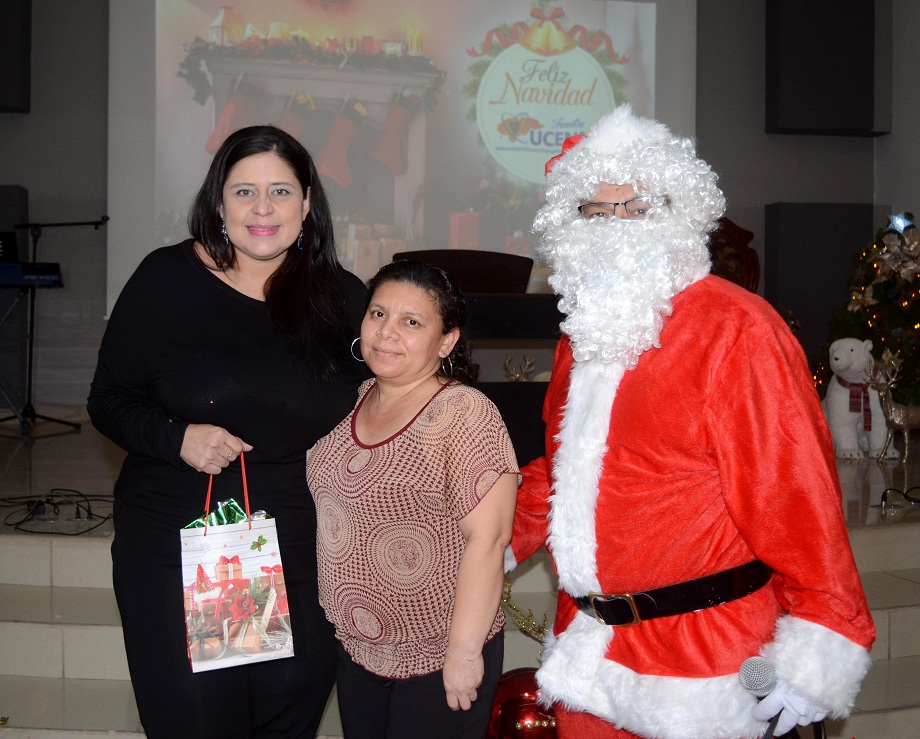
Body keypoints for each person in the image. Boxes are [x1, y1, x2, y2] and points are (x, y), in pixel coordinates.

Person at [507, 105, 876, 739]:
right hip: (589, 656)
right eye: (595, 211)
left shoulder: (738, 329)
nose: (614, 226)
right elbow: (561, 466)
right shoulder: (584, 330)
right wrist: (484, 543)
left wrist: (824, 634)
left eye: (634, 208)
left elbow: (794, 492)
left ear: (679, 214)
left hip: (704, 665)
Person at [88, 125, 368, 737]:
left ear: (308, 202)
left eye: (280, 191)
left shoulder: (341, 297)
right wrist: (175, 436)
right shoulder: (166, 280)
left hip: (306, 554)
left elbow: (383, 408)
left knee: (284, 724)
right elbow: (108, 400)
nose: (262, 208)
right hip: (183, 550)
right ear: (218, 203)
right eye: (244, 192)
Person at [306, 259, 519, 738]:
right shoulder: (355, 397)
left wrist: (463, 655)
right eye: (378, 314)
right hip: (358, 651)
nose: (387, 333)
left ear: (446, 341)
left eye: (412, 322)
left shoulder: (462, 413)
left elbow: (489, 541)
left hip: (438, 657)